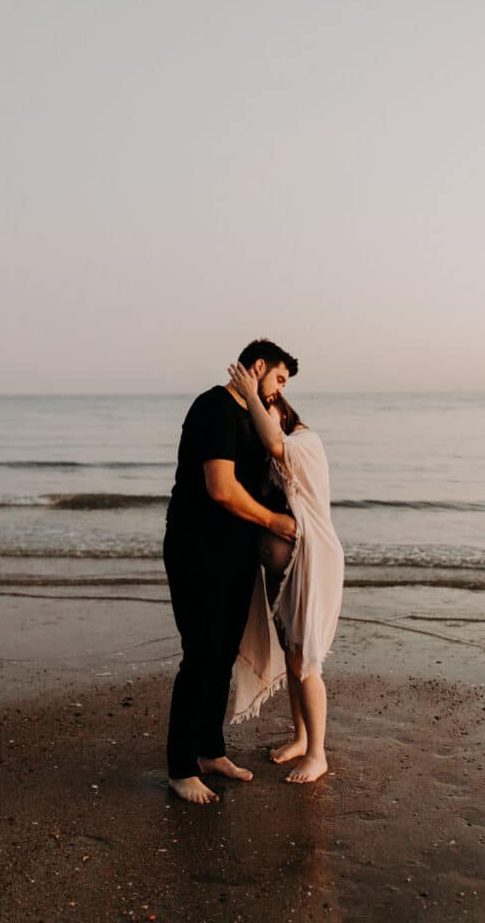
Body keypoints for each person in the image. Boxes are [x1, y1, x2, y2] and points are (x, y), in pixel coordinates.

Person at [164, 339, 299, 804]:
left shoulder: (249, 416)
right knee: (200, 655)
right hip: (197, 548)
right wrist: (275, 521)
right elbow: (221, 489)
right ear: (257, 366)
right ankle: (180, 768)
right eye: (278, 378)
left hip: (235, 552)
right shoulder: (215, 408)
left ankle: (208, 751)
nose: (279, 391)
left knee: (222, 655)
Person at [228, 362, 344, 784]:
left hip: (315, 561)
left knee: (305, 660)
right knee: (293, 656)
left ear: (282, 408)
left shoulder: (303, 441)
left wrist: (256, 396)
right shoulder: (276, 452)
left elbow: (275, 442)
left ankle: (318, 753)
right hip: (287, 571)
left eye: (272, 405)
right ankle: (300, 737)